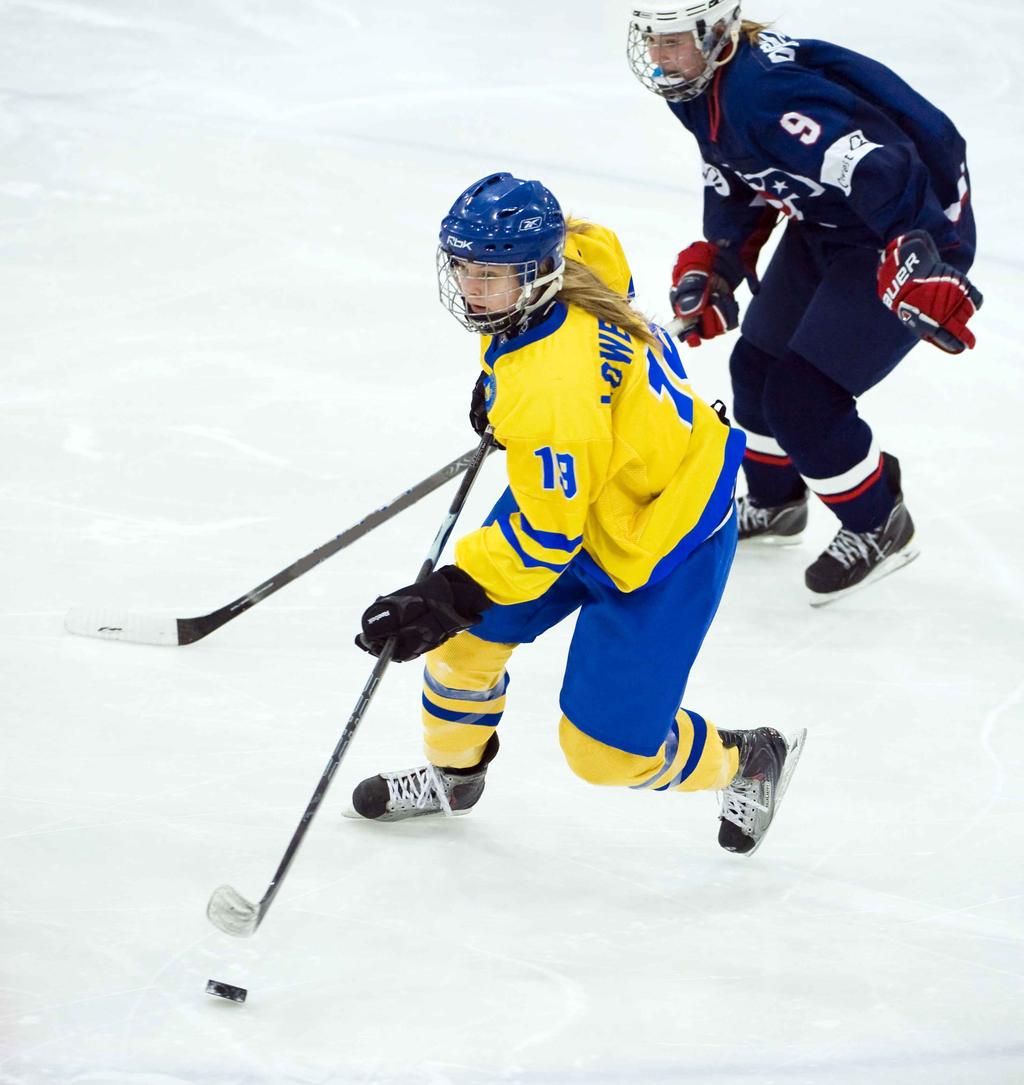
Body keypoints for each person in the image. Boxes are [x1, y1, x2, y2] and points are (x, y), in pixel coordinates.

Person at [346, 172, 805, 854]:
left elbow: (543, 535)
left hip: (663, 535)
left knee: (604, 750)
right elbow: (592, 258)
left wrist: (447, 592)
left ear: (535, 270)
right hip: (590, 485)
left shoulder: (553, 387)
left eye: (491, 273)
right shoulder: (578, 263)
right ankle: (454, 776)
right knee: (462, 647)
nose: (472, 286)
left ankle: (749, 758)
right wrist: (501, 390)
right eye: (463, 265)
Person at [627, 3, 983, 604]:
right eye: (651, 41)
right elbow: (740, 174)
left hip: (895, 233)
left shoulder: (763, 93)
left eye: (672, 42)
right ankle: (776, 502)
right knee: (755, 367)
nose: (659, 59)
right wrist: (723, 259)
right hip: (828, 223)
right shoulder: (697, 88)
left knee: (803, 398)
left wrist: (921, 254)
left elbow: (877, 164)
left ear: (715, 34)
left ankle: (878, 522)